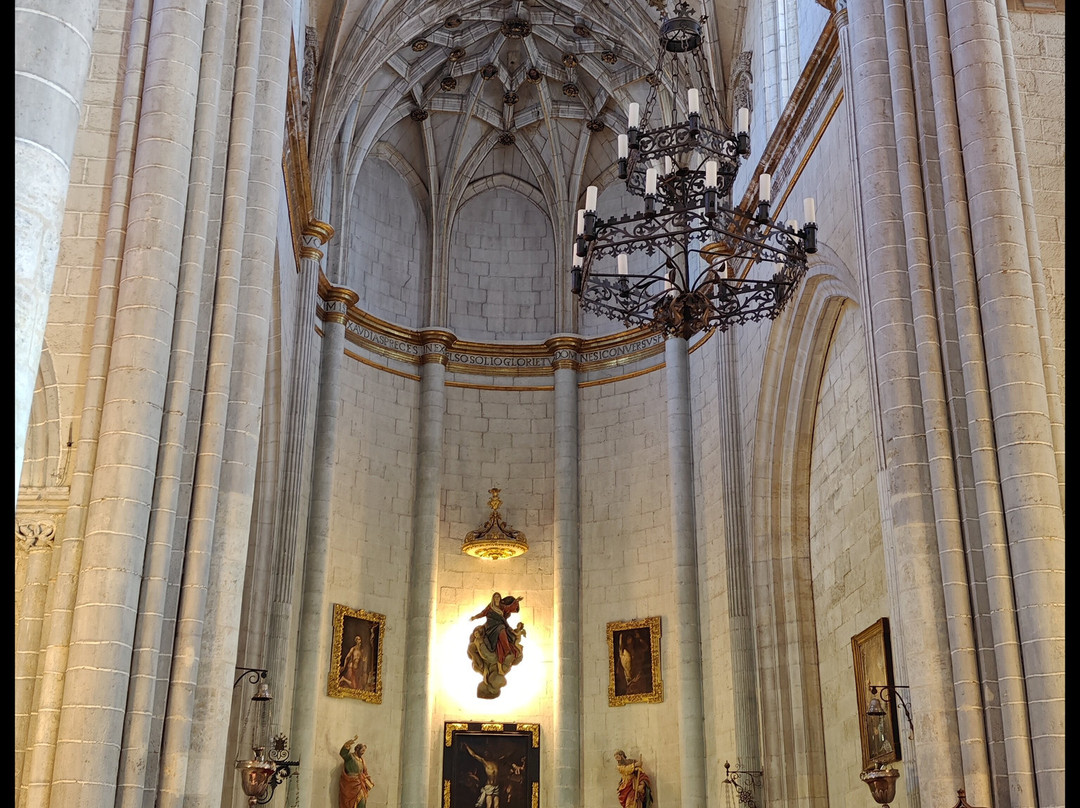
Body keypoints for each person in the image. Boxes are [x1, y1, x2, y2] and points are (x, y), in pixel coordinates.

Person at [470, 593, 524, 672]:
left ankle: (506, 650)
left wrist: (516, 601)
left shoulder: (502, 606)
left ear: (500, 598)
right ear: (493, 598)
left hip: (500, 625)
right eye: (495, 597)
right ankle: (506, 649)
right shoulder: (490, 606)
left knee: (502, 629)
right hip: (491, 626)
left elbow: (509, 607)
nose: (497, 598)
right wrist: (475, 617)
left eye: (498, 597)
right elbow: (483, 613)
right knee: (501, 628)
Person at [339, 737, 374, 808]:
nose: (363, 752)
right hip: (351, 784)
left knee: (362, 802)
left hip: (361, 784)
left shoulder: (362, 761)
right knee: (351, 803)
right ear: (357, 749)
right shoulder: (350, 757)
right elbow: (343, 754)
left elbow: (365, 773)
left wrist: (369, 780)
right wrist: (347, 745)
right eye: (362, 750)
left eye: (364, 751)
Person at [465, 743, 500, 808]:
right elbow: (474, 755)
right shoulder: (485, 762)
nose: (486, 754)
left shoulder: (496, 762)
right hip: (489, 786)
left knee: (497, 806)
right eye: (485, 753)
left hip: (496, 786)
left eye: (487, 753)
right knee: (489, 806)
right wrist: (467, 746)